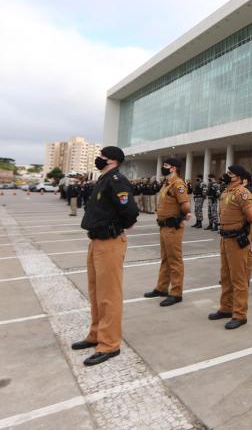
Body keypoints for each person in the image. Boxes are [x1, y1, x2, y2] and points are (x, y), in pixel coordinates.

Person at [71, 146, 138, 366]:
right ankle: (96, 334)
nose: (98, 159)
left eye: (102, 156)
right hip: (96, 241)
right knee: (96, 291)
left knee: (109, 295)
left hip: (109, 242)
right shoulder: (103, 179)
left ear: (113, 160)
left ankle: (109, 344)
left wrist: (118, 228)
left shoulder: (117, 180)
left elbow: (129, 212)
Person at [208, 165, 252, 329]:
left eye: (230, 173)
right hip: (225, 239)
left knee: (239, 278)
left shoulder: (242, 193)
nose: (226, 175)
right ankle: (226, 308)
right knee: (226, 276)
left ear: (239, 177)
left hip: (237, 240)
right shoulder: (226, 192)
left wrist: (244, 233)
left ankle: (240, 314)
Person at [144, 158, 191, 307]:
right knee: (165, 258)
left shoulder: (178, 184)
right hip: (163, 226)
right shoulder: (167, 184)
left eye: (166, 166)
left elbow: (186, 206)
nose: (163, 168)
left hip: (172, 227)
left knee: (174, 260)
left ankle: (176, 293)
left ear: (174, 168)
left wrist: (182, 216)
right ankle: (162, 288)